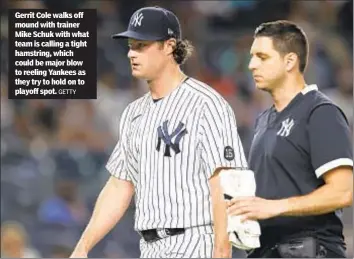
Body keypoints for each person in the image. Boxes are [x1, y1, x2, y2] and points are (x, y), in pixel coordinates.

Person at [70, 6, 248, 258]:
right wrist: (83, 246)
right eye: (131, 46)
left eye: (142, 46)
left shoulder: (205, 103)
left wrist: (222, 250)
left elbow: (223, 181)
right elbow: (120, 184)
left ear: (168, 46)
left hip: (196, 241)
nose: (132, 53)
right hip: (149, 247)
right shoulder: (134, 113)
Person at [227, 20, 353, 258]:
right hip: (265, 250)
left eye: (262, 57)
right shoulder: (263, 120)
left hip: (310, 249)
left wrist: (274, 207)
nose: (252, 65)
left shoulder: (320, 111)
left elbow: (343, 192)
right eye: (252, 57)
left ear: (290, 61)